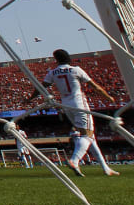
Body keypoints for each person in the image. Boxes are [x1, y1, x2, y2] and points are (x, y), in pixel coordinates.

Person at [26, 49, 119, 177]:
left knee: (90, 137)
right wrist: (108, 97)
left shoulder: (52, 73)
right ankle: (74, 160)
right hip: (79, 104)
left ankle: (105, 168)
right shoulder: (76, 70)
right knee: (88, 135)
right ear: (68, 57)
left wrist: (30, 98)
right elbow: (94, 86)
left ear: (56, 60)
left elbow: (41, 88)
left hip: (66, 105)